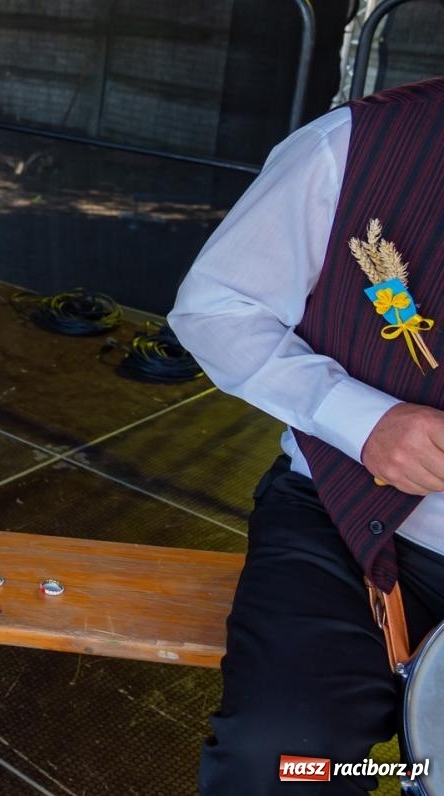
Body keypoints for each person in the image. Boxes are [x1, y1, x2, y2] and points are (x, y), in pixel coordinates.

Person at [169, 79, 444, 794]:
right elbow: (216, 310)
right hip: (346, 520)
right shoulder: (354, 145)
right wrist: (365, 420)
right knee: (283, 761)